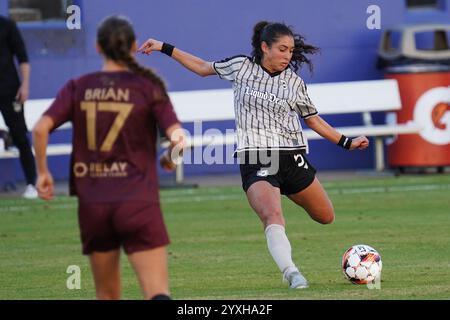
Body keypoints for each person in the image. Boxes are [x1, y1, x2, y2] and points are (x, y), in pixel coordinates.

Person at [138, 21, 369, 289]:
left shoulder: (294, 82)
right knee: (272, 215)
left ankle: (285, 192)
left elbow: (313, 120)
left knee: (326, 216)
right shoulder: (241, 67)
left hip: (291, 157)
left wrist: (347, 143)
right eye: (282, 49)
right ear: (264, 47)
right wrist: (163, 47)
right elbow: (202, 68)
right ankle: (291, 273)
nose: (287, 56)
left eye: (291, 50)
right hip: (256, 155)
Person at [32, 15, 185, 300]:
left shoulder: (79, 85)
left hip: (94, 204)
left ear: (98, 46)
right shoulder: (148, 86)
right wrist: (170, 159)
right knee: (157, 293)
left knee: (107, 295)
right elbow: (178, 139)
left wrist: (43, 172)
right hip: (138, 201)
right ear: (135, 46)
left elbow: (40, 128)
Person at [0, 15, 37, 199]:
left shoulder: (6, 25)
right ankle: (2, 134)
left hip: (9, 90)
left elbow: (22, 56)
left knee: (20, 137)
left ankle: (32, 184)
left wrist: (25, 85)